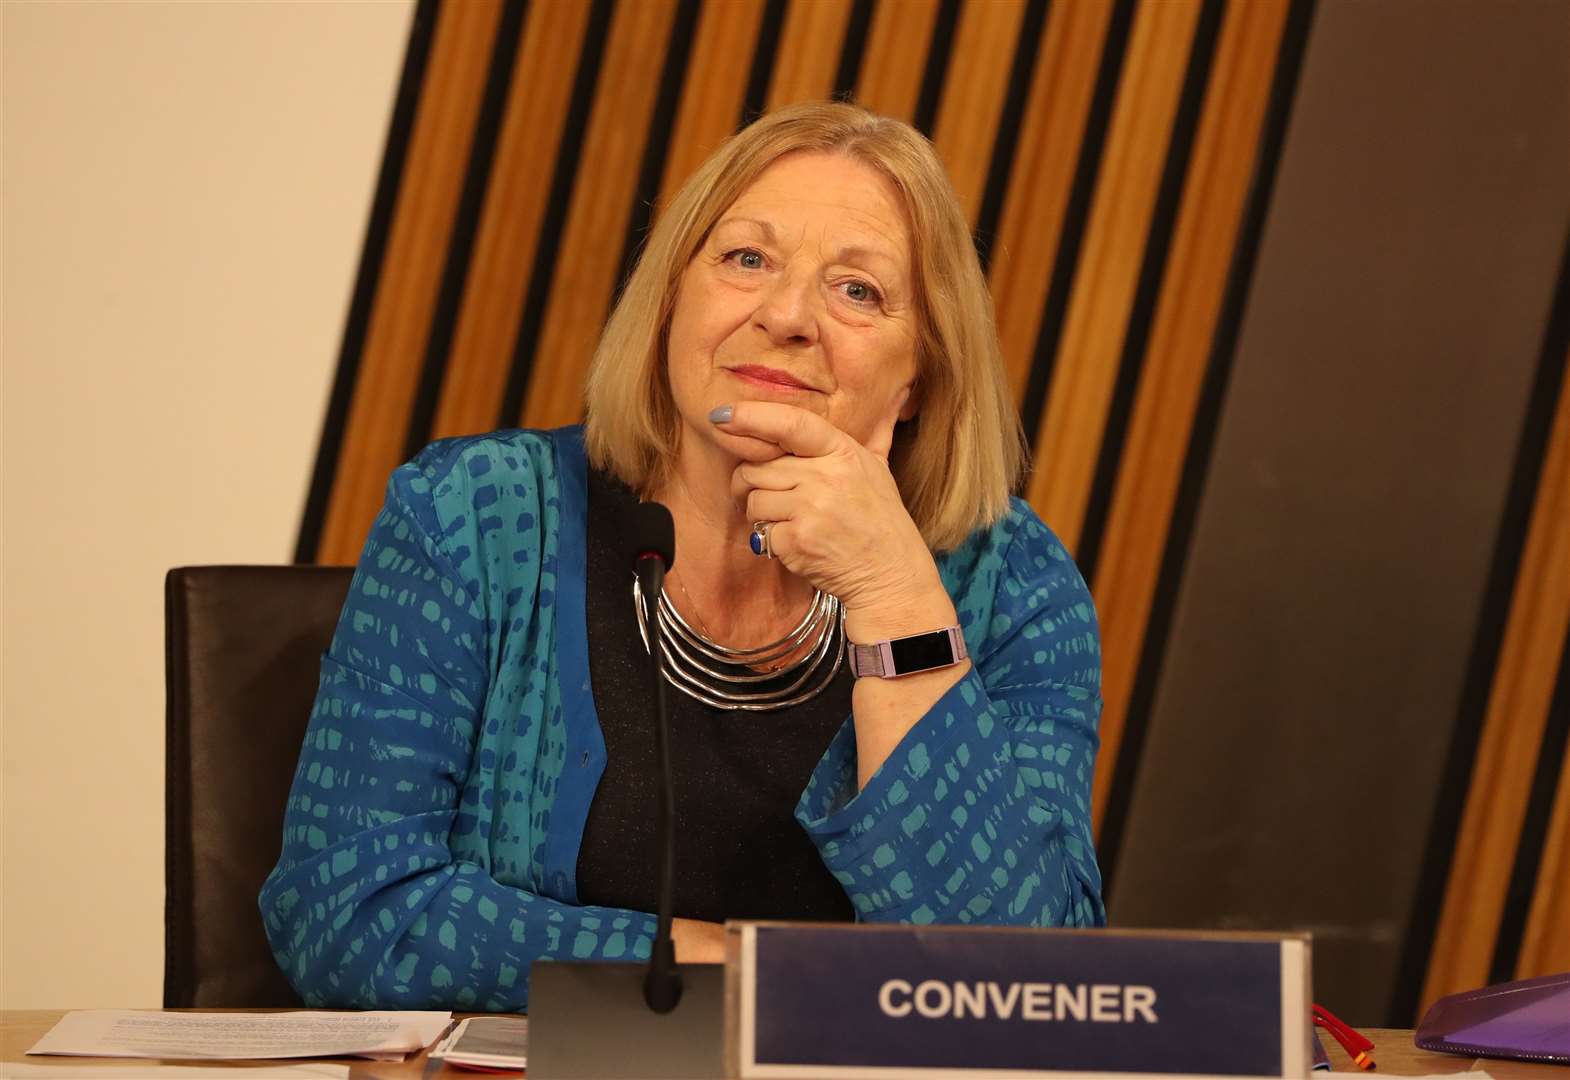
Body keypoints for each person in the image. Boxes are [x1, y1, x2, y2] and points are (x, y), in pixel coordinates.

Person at [260, 101, 1104, 1010]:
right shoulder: (476, 514)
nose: (786, 315)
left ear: (918, 378)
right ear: (671, 301)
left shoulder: (1010, 582)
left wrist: (895, 594)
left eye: (858, 290)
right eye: (747, 259)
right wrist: (722, 969)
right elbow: (347, 910)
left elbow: (1030, 978)